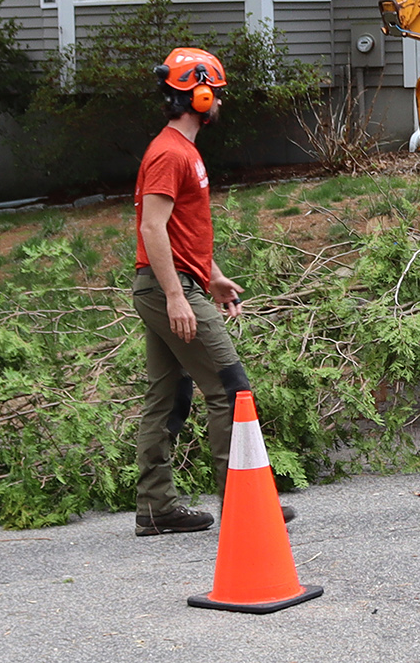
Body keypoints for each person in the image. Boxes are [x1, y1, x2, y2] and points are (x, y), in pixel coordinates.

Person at [130, 47, 292, 535]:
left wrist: (213, 275)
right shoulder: (169, 153)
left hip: (174, 282)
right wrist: (177, 296)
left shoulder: (183, 150)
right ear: (198, 97)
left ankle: (156, 508)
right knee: (231, 390)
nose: (219, 101)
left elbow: (181, 230)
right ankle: (245, 503)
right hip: (168, 287)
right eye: (215, 93)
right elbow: (152, 228)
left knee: (167, 396)